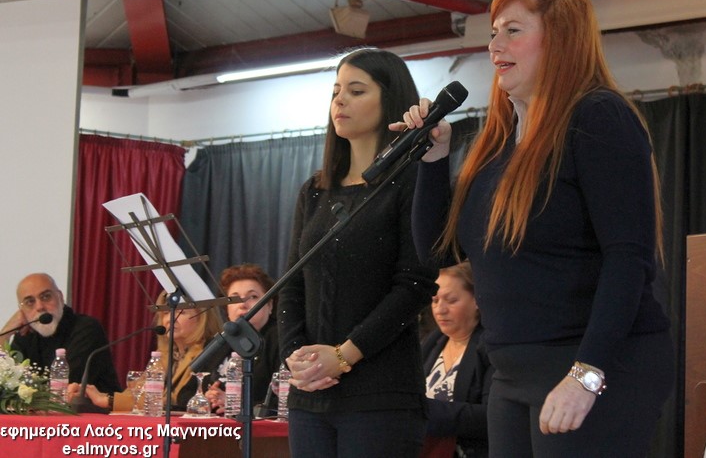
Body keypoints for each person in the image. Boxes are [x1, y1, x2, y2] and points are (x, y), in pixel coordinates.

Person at [399, 0, 674, 457]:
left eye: (513, 31)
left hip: (590, 363)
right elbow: (438, 252)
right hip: (511, 372)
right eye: (493, 33)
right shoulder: (498, 146)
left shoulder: (597, 117)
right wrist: (433, 161)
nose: (494, 46)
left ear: (559, 39)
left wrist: (586, 376)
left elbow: (628, 258)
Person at [277, 48, 439, 457]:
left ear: (390, 100)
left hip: (380, 397)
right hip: (310, 396)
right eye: (336, 92)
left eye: (356, 90)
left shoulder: (413, 180)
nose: (340, 101)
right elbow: (291, 283)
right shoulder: (315, 190)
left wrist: (344, 355)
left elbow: (415, 285)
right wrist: (294, 357)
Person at [69, 290, 223, 411]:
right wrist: (93, 395)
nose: (170, 319)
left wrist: (107, 400)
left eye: (181, 312)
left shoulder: (212, 353)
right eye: (166, 312)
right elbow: (136, 395)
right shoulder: (164, 356)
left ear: (203, 317)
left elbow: (178, 401)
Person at [1, 272, 120, 393]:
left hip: (91, 405)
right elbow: (5, 382)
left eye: (46, 297)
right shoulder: (25, 335)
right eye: (30, 302)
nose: (39, 307)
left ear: (60, 297)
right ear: (21, 310)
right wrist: (5, 333)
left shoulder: (86, 328)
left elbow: (65, 387)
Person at [421, 261, 492, 458]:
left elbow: (492, 416)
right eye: (435, 300)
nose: (440, 309)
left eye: (451, 300)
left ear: (476, 300)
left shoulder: (490, 347)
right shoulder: (431, 342)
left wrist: (424, 410)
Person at [204, 263, 282, 415]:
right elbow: (185, 393)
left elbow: (283, 400)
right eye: (234, 299)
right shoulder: (220, 342)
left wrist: (238, 405)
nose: (242, 304)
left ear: (270, 305)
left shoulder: (279, 340)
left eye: (253, 297)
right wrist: (207, 397)